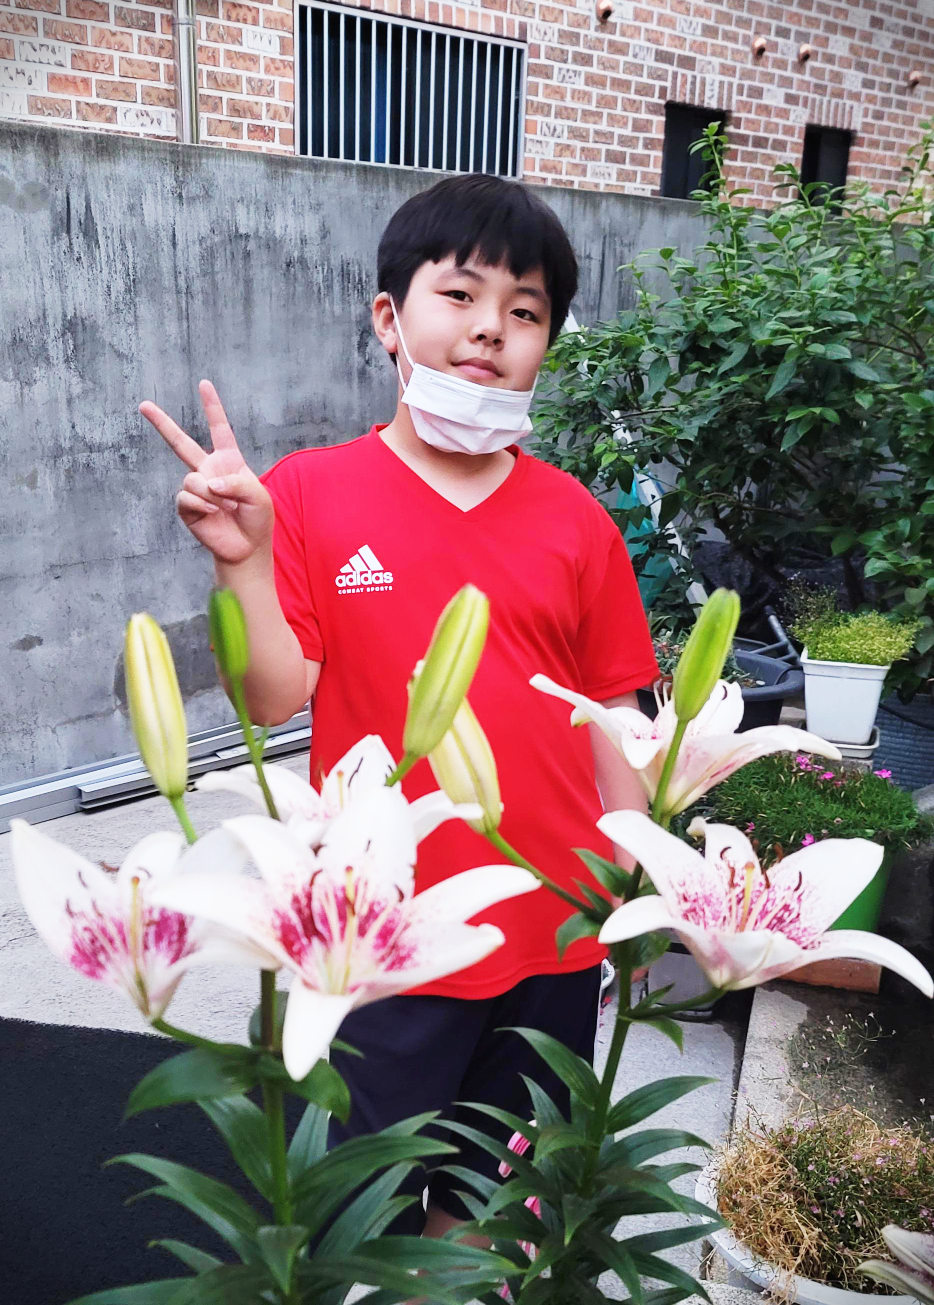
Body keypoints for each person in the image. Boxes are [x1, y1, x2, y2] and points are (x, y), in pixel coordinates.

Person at [141, 172, 658, 1244]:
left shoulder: (578, 520)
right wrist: (243, 563)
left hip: (548, 934)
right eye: (460, 295)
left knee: (484, 1217)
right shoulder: (309, 491)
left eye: (524, 312)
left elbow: (616, 708)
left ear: (546, 342)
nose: (490, 329)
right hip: (375, 933)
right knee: (360, 1214)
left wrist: (637, 885)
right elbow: (276, 694)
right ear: (389, 318)